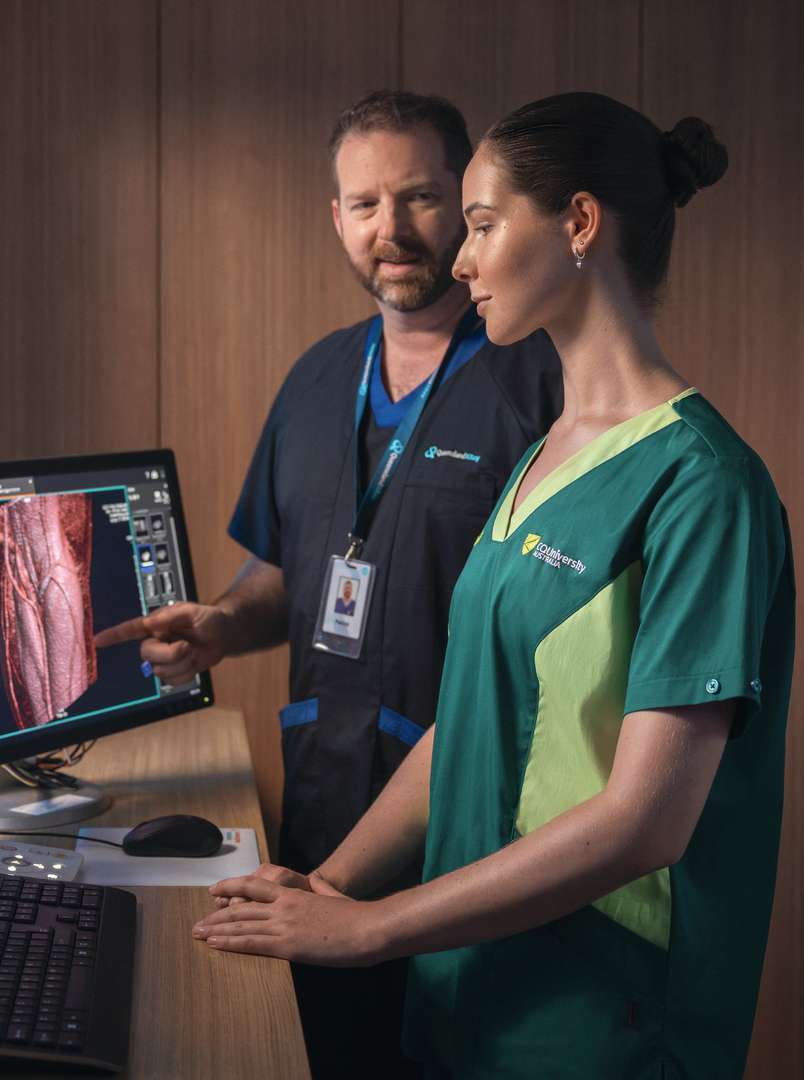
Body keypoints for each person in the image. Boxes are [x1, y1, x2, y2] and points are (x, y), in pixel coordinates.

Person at [190, 91, 796, 1080]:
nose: (459, 259)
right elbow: (469, 720)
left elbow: (647, 822)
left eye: (477, 222)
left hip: (598, 1020)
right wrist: (330, 888)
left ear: (580, 225)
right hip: (471, 988)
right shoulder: (548, 456)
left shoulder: (703, 485)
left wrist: (372, 929)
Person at [94, 90, 562, 1077]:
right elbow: (282, 572)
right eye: (362, 205)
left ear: (469, 201)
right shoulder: (316, 381)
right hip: (319, 819)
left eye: (420, 198)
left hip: (471, 841)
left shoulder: (542, 387)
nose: (390, 230)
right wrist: (222, 623)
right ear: (335, 218)